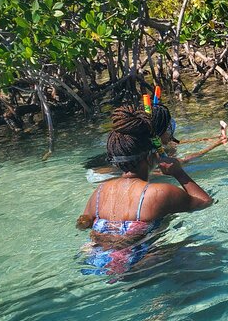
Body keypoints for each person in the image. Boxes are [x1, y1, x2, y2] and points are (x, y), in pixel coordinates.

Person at [76, 105, 213, 276]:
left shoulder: (100, 192)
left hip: (93, 261)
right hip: (135, 265)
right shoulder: (158, 193)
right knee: (213, 253)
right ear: (151, 156)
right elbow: (205, 202)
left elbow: (84, 223)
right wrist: (178, 172)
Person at [84, 103, 227, 182]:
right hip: (101, 176)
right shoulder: (150, 151)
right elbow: (182, 161)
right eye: (167, 129)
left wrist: (211, 138)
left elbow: (175, 144)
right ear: (159, 132)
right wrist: (217, 144)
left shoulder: (145, 139)